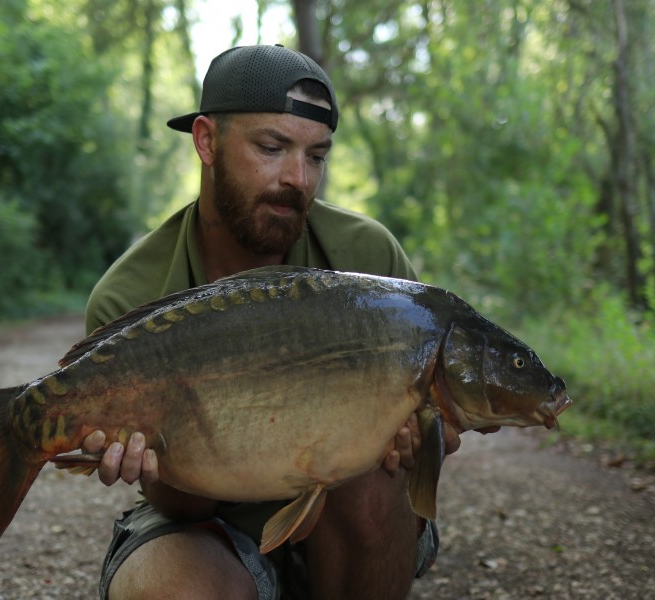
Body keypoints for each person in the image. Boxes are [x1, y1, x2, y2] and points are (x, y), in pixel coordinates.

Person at [80, 44, 464, 600]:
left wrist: (427, 434)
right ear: (206, 141)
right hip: (209, 526)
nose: (297, 179)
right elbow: (183, 507)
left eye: (316, 156)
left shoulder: (368, 257)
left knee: (370, 483)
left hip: (347, 510)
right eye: (272, 147)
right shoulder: (131, 295)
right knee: (163, 588)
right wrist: (158, 469)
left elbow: (430, 431)